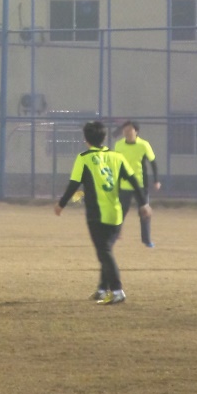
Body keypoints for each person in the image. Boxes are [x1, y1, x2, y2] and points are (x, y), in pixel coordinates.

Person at [56, 121, 151, 305]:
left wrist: (61, 204)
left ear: (86, 139)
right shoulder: (117, 157)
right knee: (105, 251)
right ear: (104, 138)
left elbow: (74, 184)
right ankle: (102, 289)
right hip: (116, 214)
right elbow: (134, 181)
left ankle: (117, 291)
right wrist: (143, 204)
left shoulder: (84, 158)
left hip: (96, 216)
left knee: (104, 252)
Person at [112, 120, 160, 247]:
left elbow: (153, 163)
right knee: (120, 212)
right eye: (125, 130)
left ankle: (146, 240)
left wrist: (156, 180)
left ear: (136, 131)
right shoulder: (119, 145)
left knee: (144, 212)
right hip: (124, 185)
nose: (126, 132)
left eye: (129, 130)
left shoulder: (144, 145)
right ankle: (115, 236)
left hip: (140, 185)